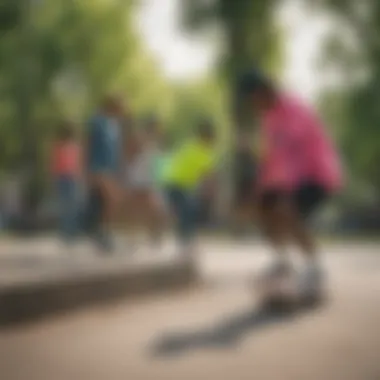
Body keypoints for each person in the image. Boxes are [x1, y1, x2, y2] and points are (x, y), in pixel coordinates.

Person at [235, 69, 343, 298]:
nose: (252, 106)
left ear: (263, 92)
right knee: (262, 209)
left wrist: (279, 191)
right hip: (291, 179)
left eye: (252, 100)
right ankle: (283, 263)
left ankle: (315, 268)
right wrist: (259, 193)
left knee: (286, 210)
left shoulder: (296, 109)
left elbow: (292, 152)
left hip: (317, 175)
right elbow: (270, 160)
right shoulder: (269, 119)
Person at [163, 120, 217, 257]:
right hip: (178, 184)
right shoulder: (204, 152)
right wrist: (209, 195)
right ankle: (186, 243)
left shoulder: (189, 146)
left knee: (185, 212)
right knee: (188, 211)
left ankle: (185, 242)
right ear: (208, 137)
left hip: (171, 183)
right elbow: (207, 177)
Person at [84, 96, 124, 254]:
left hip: (110, 168)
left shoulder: (115, 125)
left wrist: (120, 169)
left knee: (107, 202)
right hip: (98, 167)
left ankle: (102, 232)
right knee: (112, 199)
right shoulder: (97, 121)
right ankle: (102, 233)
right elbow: (88, 144)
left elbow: (116, 150)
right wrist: (86, 170)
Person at [123, 116, 168, 249]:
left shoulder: (157, 144)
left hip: (149, 180)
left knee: (155, 208)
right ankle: (137, 235)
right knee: (142, 208)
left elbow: (158, 163)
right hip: (139, 179)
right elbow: (130, 156)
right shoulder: (141, 140)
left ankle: (153, 235)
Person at [51, 122, 82, 246]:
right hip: (63, 178)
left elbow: (77, 163)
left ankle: (71, 232)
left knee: (72, 205)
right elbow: (55, 164)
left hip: (71, 178)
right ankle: (65, 232)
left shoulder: (74, 146)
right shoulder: (59, 146)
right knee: (65, 206)